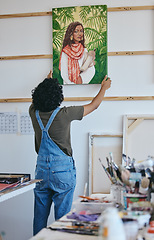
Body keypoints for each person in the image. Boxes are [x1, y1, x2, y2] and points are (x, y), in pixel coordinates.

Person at [29, 70, 111, 235]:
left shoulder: (33, 112)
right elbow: (94, 105)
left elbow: (38, 99)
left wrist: (47, 80)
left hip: (41, 171)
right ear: (58, 97)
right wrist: (104, 88)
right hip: (62, 172)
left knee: (39, 217)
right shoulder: (64, 114)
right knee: (63, 219)